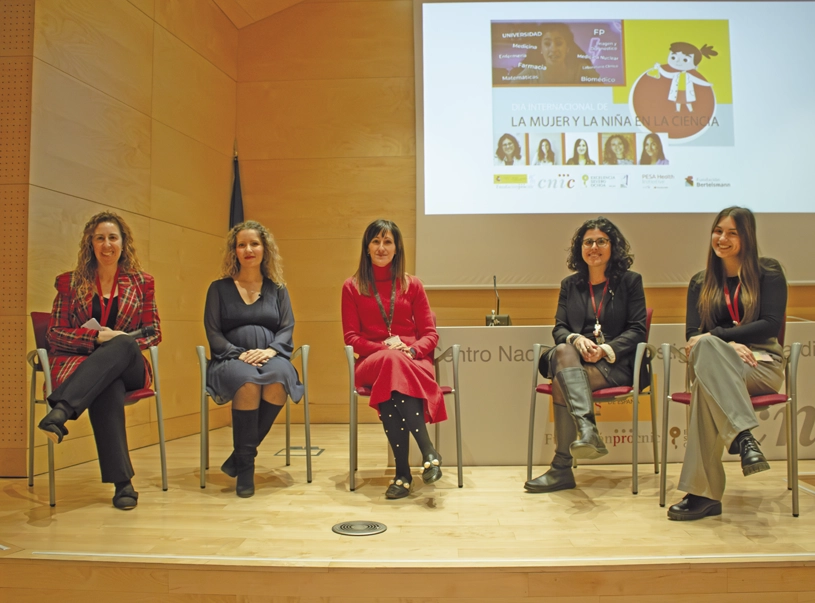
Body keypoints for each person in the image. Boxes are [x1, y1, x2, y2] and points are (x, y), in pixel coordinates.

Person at [667, 207, 787, 521]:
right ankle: (744, 437)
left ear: (747, 237)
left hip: (761, 364)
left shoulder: (769, 272)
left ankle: (702, 494)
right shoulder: (700, 281)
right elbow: (693, 337)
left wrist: (720, 337)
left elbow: (771, 325)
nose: (722, 238)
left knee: (708, 363)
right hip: (716, 365)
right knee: (707, 357)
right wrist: (723, 346)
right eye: (718, 231)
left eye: (732, 233)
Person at [37, 212, 161, 510]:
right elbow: (55, 334)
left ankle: (62, 409)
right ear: (90, 244)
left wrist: (118, 339)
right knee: (108, 385)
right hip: (86, 369)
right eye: (100, 238)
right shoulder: (69, 282)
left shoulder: (142, 282)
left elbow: (153, 332)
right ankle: (123, 485)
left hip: (131, 365)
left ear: (123, 242)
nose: (107, 244)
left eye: (113, 237)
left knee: (123, 343)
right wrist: (94, 340)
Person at [525, 217, 646, 493]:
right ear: (580, 248)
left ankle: (562, 468)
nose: (594, 247)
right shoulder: (571, 285)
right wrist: (577, 339)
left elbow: (638, 330)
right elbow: (559, 328)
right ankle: (588, 431)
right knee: (564, 348)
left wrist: (605, 349)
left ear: (612, 247)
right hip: (575, 361)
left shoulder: (630, 282)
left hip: (616, 365)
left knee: (559, 382)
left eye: (601, 241)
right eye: (588, 242)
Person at [342, 219, 446, 499]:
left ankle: (402, 474)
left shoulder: (412, 285)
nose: (381, 247)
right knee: (390, 364)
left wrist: (410, 351)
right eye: (376, 241)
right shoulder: (352, 287)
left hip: (411, 360)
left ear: (397, 248)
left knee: (392, 383)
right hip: (372, 362)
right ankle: (428, 451)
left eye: (388, 242)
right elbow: (351, 337)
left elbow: (430, 334)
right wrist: (386, 351)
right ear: (367, 247)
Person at [204, 220, 304, 498]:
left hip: (271, 355)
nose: (248, 249)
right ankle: (245, 468)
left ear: (265, 249)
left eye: (254, 244)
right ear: (234, 251)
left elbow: (287, 327)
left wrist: (271, 350)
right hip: (231, 358)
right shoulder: (218, 289)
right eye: (242, 245)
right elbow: (213, 331)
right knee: (247, 383)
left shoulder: (278, 289)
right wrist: (239, 353)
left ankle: (240, 457)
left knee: (279, 380)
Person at [515, 23, 600, 84]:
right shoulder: (532, 72)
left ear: (568, 48)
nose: (553, 49)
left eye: (559, 43)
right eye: (547, 44)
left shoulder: (581, 70)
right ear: (541, 49)